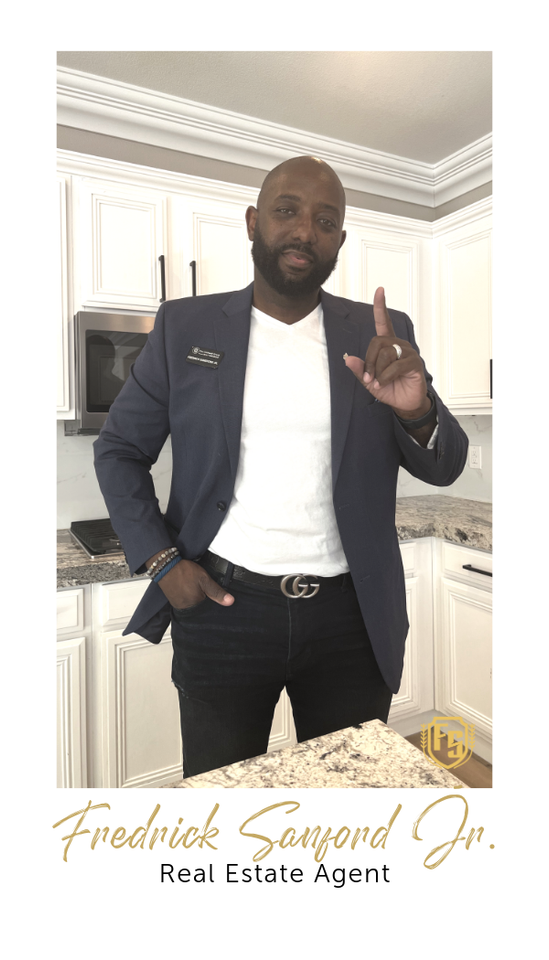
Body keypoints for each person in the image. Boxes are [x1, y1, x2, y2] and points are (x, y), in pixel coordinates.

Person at [94, 155, 468, 778]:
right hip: (224, 614)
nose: (305, 231)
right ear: (252, 221)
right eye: (287, 211)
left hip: (352, 618)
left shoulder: (379, 333)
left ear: (340, 241)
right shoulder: (184, 328)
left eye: (325, 221)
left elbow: (445, 465)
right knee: (223, 799)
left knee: (352, 801)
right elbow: (119, 450)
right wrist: (161, 563)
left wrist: (417, 407)